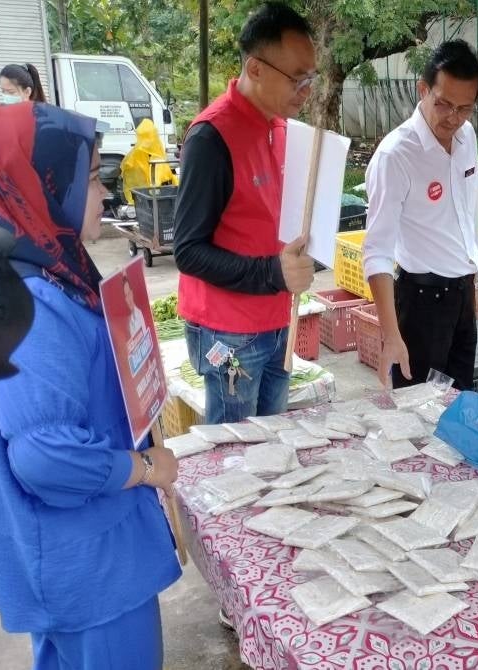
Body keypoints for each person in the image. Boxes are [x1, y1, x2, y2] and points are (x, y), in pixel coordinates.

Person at [0, 102, 181, 669]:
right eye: (90, 179)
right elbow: (44, 458)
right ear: (31, 189)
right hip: (90, 565)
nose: (102, 194)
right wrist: (146, 469)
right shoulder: (34, 305)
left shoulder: (46, 268)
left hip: (85, 549)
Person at [173, 2, 316, 424]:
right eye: (297, 78)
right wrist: (273, 273)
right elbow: (188, 251)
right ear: (255, 69)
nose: (306, 90)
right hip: (228, 332)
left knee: (273, 443)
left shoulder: (281, 127)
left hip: (279, 320)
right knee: (236, 454)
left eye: (311, 77)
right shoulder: (211, 137)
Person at [363, 39, 478, 391]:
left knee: (460, 407)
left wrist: (471, 281)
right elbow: (377, 252)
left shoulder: (467, 137)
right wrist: (391, 335)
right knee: (416, 417)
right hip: (420, 305)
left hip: (461, 296)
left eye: (465, 108)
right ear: (423, 89)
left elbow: (467, 215)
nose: (453, 118)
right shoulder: (396, 155)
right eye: (443, 104)